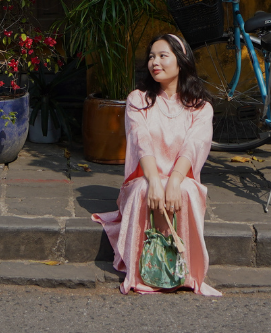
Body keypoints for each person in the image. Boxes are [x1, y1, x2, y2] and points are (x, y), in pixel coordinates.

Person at [92, 33, 220, 295]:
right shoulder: (138, 100)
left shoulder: (200, 107)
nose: (155, 62)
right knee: (142, 191)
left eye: (163, 56)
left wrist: (173, 181)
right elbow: (142, 144)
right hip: (145, 177)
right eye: (151, 56)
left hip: (181, 178)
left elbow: (193, 146)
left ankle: (184, 270)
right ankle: (141, 272)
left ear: (181, 61)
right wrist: (153, 181)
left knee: (186, 191)